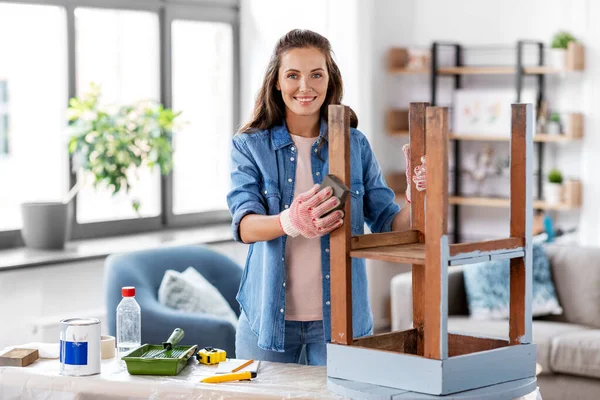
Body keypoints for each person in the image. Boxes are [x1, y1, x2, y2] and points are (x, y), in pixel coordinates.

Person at [226, 29, 426, 366]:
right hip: (268, 321)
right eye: (293, 75)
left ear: (329, 80)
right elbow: (244, 225)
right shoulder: (250, 145)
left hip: (341, 320)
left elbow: (388, 223)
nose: (305, 87)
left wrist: (417, 196)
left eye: (316, 74)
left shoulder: (354, 144)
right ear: (277, 82)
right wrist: (290, 221)